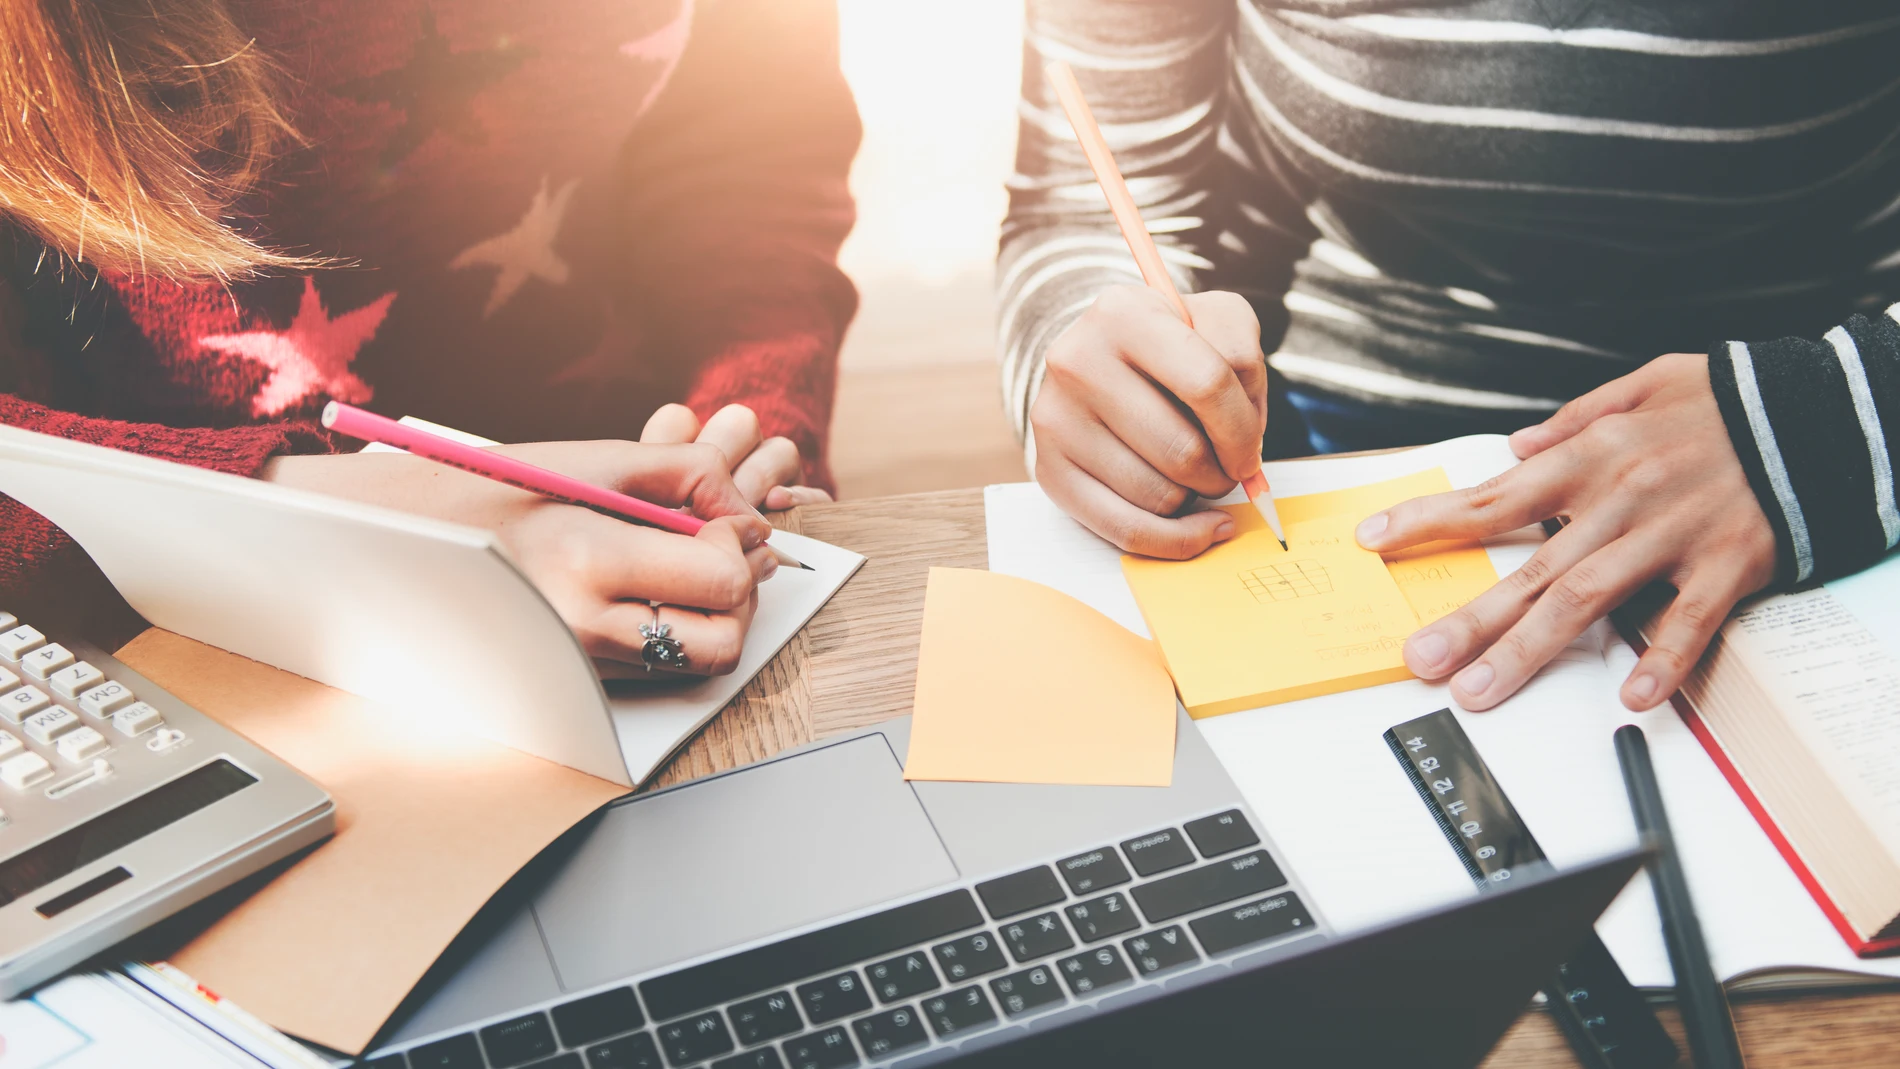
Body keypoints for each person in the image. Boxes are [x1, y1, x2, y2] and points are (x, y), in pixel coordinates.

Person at [1000, 2, 1900, 712]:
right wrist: (1097, 365)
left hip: (1796, 454)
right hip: (1319, 443)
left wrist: (1820, 416)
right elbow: (1090, 201)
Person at [0, 0, 860, 675]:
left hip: (656, 547)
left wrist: (747, 414)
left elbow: (753, 143)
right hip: (157, 642)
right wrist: (369, 536)